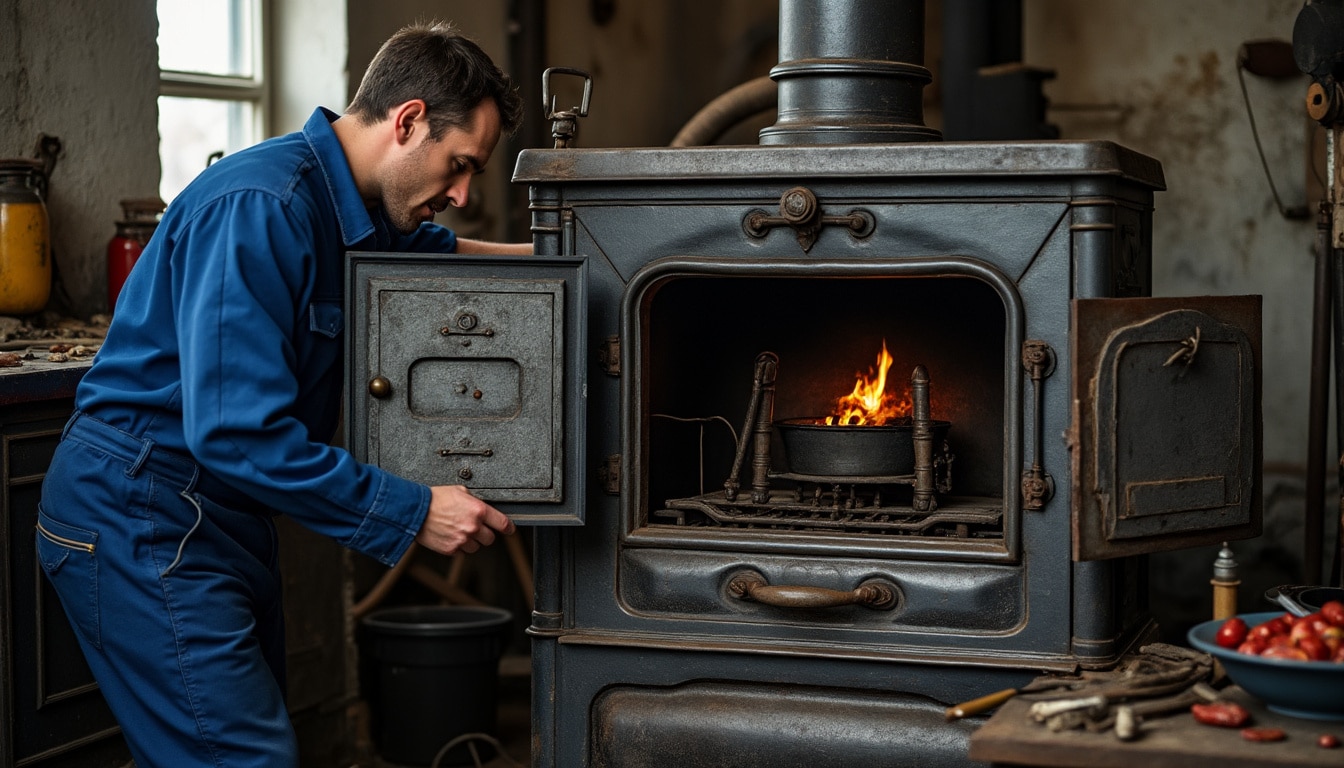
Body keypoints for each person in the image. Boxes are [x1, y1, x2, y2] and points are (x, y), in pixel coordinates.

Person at [35, 20, 527, 768]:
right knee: (243, 756)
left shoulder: (354, 211)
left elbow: (444, 250)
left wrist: (565, 254)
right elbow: (237, 434)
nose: (462, 194)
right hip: (141, 512)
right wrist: (415, 508)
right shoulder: (264, 206)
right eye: (459, 166)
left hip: (214, 517)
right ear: (409, 120)